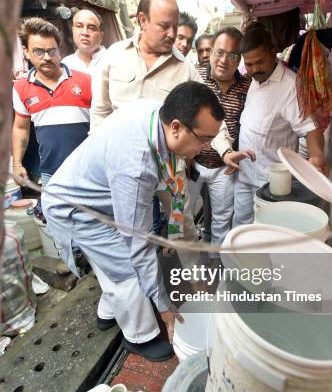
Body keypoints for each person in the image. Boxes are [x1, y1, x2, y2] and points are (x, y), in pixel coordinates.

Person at [42, 83, 225, 361]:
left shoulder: (156, 120)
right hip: (75, 208)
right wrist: (165, 309)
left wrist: (195, 277)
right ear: (177, 127)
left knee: (118, 262)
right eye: (204, 139)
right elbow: (137, 245)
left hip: (100, 196)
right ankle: (139, 337)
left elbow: (180, 211)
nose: (207, 147)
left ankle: (108, 314)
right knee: (127, 267)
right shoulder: (137, 166)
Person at [90, 0, 235, 250]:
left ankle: (192, 280)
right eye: (163, 26)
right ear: (142, 20)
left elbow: (211, 115)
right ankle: (142, 281)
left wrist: (224, 150)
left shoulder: (184, 69)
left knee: (183, 228)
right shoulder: (114, 57)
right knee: (131, 228)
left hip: (169, 168)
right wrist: (99, 157)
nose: (171, 34)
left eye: (175, 26)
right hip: (123, 166)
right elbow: (100, 112)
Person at [232, 27, 326, 227]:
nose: (255, 69)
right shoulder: (254, 80)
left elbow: (311, 127)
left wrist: (316, 156)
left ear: (272, 52)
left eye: (260, 62)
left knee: (267, 234)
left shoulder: (291, 86)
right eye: (249, 64)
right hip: (244, 175)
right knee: (241, 226)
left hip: (271, 183)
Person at [188, 28, 254, 247]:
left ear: (240, 59)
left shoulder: (248, 87)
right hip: (192, 164)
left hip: (224, 169)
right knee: (182, 215)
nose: (224, 60)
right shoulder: (194, 77)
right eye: (219, 52)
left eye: (233, 55)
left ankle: (218, 262)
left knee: (222, 219)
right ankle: (190, 264)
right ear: (211, 52)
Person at [12, 18, 91, 187]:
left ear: (59, 51)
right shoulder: (21, 87)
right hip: (50, 173)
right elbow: (21, 127)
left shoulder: (86, 81)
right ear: (26, 52)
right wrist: (17, 164)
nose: (47, 57)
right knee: (55, 213)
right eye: (39, 52)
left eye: (52, 51)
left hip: (89, 170)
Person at [62, 8, 105, 75]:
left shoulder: (113, 60)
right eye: (79, 26)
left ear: (101, 35)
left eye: (91, 28)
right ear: (73, 30)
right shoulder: (66, 64)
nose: (84, 33)